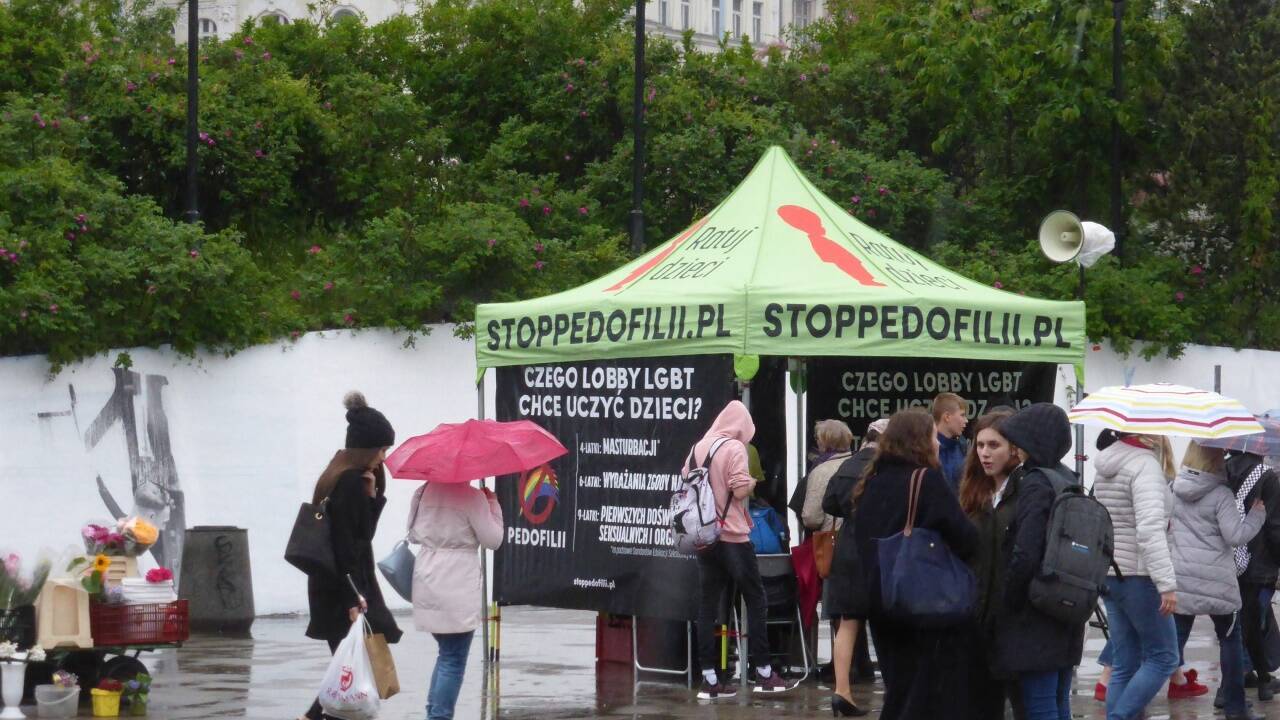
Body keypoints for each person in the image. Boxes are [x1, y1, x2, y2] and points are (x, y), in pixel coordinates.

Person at [853, 409, 978, 720]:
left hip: (882, 601)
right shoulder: (925, 480)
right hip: (922, 603)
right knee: (926, 697)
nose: (937, 444)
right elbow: (966, 538)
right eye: (933, 437)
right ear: (921, 441)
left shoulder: (871, 482)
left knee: (898, 690)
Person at [303, 392, 402, 720]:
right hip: (344, 585)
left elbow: (355, 536)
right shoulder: (347, 483)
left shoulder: (338, 472)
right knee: (351, 673)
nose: (383, 457)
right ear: (367, 449)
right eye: (382, 449)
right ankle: (316, 716)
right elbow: (350, 543)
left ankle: (312, 716)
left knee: (348, 667)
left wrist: (372, 495)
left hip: (335, 583)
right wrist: (353, 598)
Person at [995, 403, 1090, 720]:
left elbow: (1026, 551)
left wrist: (1007, 600)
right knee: (1059, 699)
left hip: (1036, 610)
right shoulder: (1067, 477)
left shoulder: (1035, 481)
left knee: (1039, 705)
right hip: (1067, 602)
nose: (1016, 448)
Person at [694, 400, 793, 700]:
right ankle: (764, 672)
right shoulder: (734, 448)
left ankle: (710, 679)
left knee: (708, 606)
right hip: (733, 536)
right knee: (756, 598)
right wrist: (750, 482)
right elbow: (738, 489)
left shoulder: (699, 446)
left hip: (706, 536)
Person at [1170, 442, 1266, 720]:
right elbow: (1235, 536)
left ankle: (1136, 699)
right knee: (1230, 641)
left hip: (1183, 578)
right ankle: (1235, 708)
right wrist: (1256, 515)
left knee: (1170, 645)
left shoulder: (1174, 488)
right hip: (1218, 583)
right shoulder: (1221, 494)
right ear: (1215, 459)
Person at [1094, 432, 1179, 720]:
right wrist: (1166, 584)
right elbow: (1150, 528)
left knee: (1125, 661)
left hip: (1111, 571)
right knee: (1164, 657)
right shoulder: (1145, 465)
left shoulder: (1107, 461)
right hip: (1140, 576)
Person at [408, 478, 504, 720]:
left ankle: (433, 712)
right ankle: (439, 716)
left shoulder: (423, 491)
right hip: (457, 583)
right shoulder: (472, 497)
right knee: (453, 659)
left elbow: (411, 533)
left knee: (446, 654)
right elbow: (493, 540)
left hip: (427, 579)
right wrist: (492, 504)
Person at [821, 418, 889, 717]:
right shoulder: (886, 468)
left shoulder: (846, 466)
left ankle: (841, 690)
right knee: (886, 624)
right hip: (878, 549)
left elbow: (828, 504)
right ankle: (895, 690)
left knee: (847, 625)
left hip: (847, 550)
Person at [956, 409, 1017, 719]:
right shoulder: (973, 489)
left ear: (1014, 448)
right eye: (980, 445)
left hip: (1009, 615)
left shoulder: (1024, 490)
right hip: (972, 613)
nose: (985, 453)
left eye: (994, 445)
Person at [1226, 450, 1280, 701]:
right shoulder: (1267, 477)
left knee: (1234, 624)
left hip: (1227, 559)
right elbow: (1274, 526)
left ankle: (1249, 677)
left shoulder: (1221, 472)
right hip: (1259, 563)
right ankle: (1255, 681)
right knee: (1252, 623)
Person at [932, 392, 969, 492]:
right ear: (947, 417)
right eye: (962, 415)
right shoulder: (926, 448)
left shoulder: (963, 446)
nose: (966, 420)